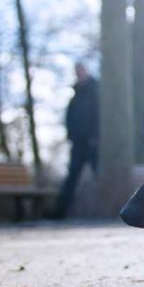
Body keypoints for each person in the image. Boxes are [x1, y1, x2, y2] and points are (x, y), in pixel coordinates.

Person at [50, 61, 99, 219]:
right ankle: (59, 212)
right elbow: (70, 118)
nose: (80, 74)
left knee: (100, 175)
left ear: (86, 71)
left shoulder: (96, 91)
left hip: (93, 142)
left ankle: (109, 208)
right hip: (78, 143)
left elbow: (99, 115)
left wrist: (96, 135)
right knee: (72, 176)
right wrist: (71, 136)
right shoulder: (75, 96)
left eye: (81, 71)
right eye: (77, 72)